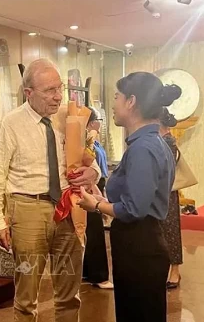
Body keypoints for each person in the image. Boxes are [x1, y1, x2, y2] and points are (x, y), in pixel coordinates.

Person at [0, 58, 101, 322]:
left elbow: (89, 159)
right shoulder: (11, 123)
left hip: (68, 207)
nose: (57, 96)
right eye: (49, 90)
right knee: (27, 295)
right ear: (28, 93)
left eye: (59, 88)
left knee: (69, 293)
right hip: (27, 209)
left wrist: (93, 172)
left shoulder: (69, 118)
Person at [78, 72, 181, 322]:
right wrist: (103, 195)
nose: (113, 104)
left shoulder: (143, 148)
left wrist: (98, 205)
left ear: (131, 101)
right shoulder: (152, 142)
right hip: (143, 244)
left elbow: (135, 208)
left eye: (116, 97)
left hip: (140, 247)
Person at [82, 107, 113, 289]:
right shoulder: (87, 140)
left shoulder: (95, 142)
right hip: (92, 187)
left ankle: (90, 272)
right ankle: (98, 275)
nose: (99, 125)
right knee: (94, 232)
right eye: (97, 121)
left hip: (98, 184)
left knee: (93, 231)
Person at [159, 107, 183, 289]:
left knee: (171, 231)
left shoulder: (168, 140)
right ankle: (166, 268)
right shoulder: (160, 139)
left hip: (167, 192)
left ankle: (175, 270)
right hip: (160, 191)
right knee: (162, 231)